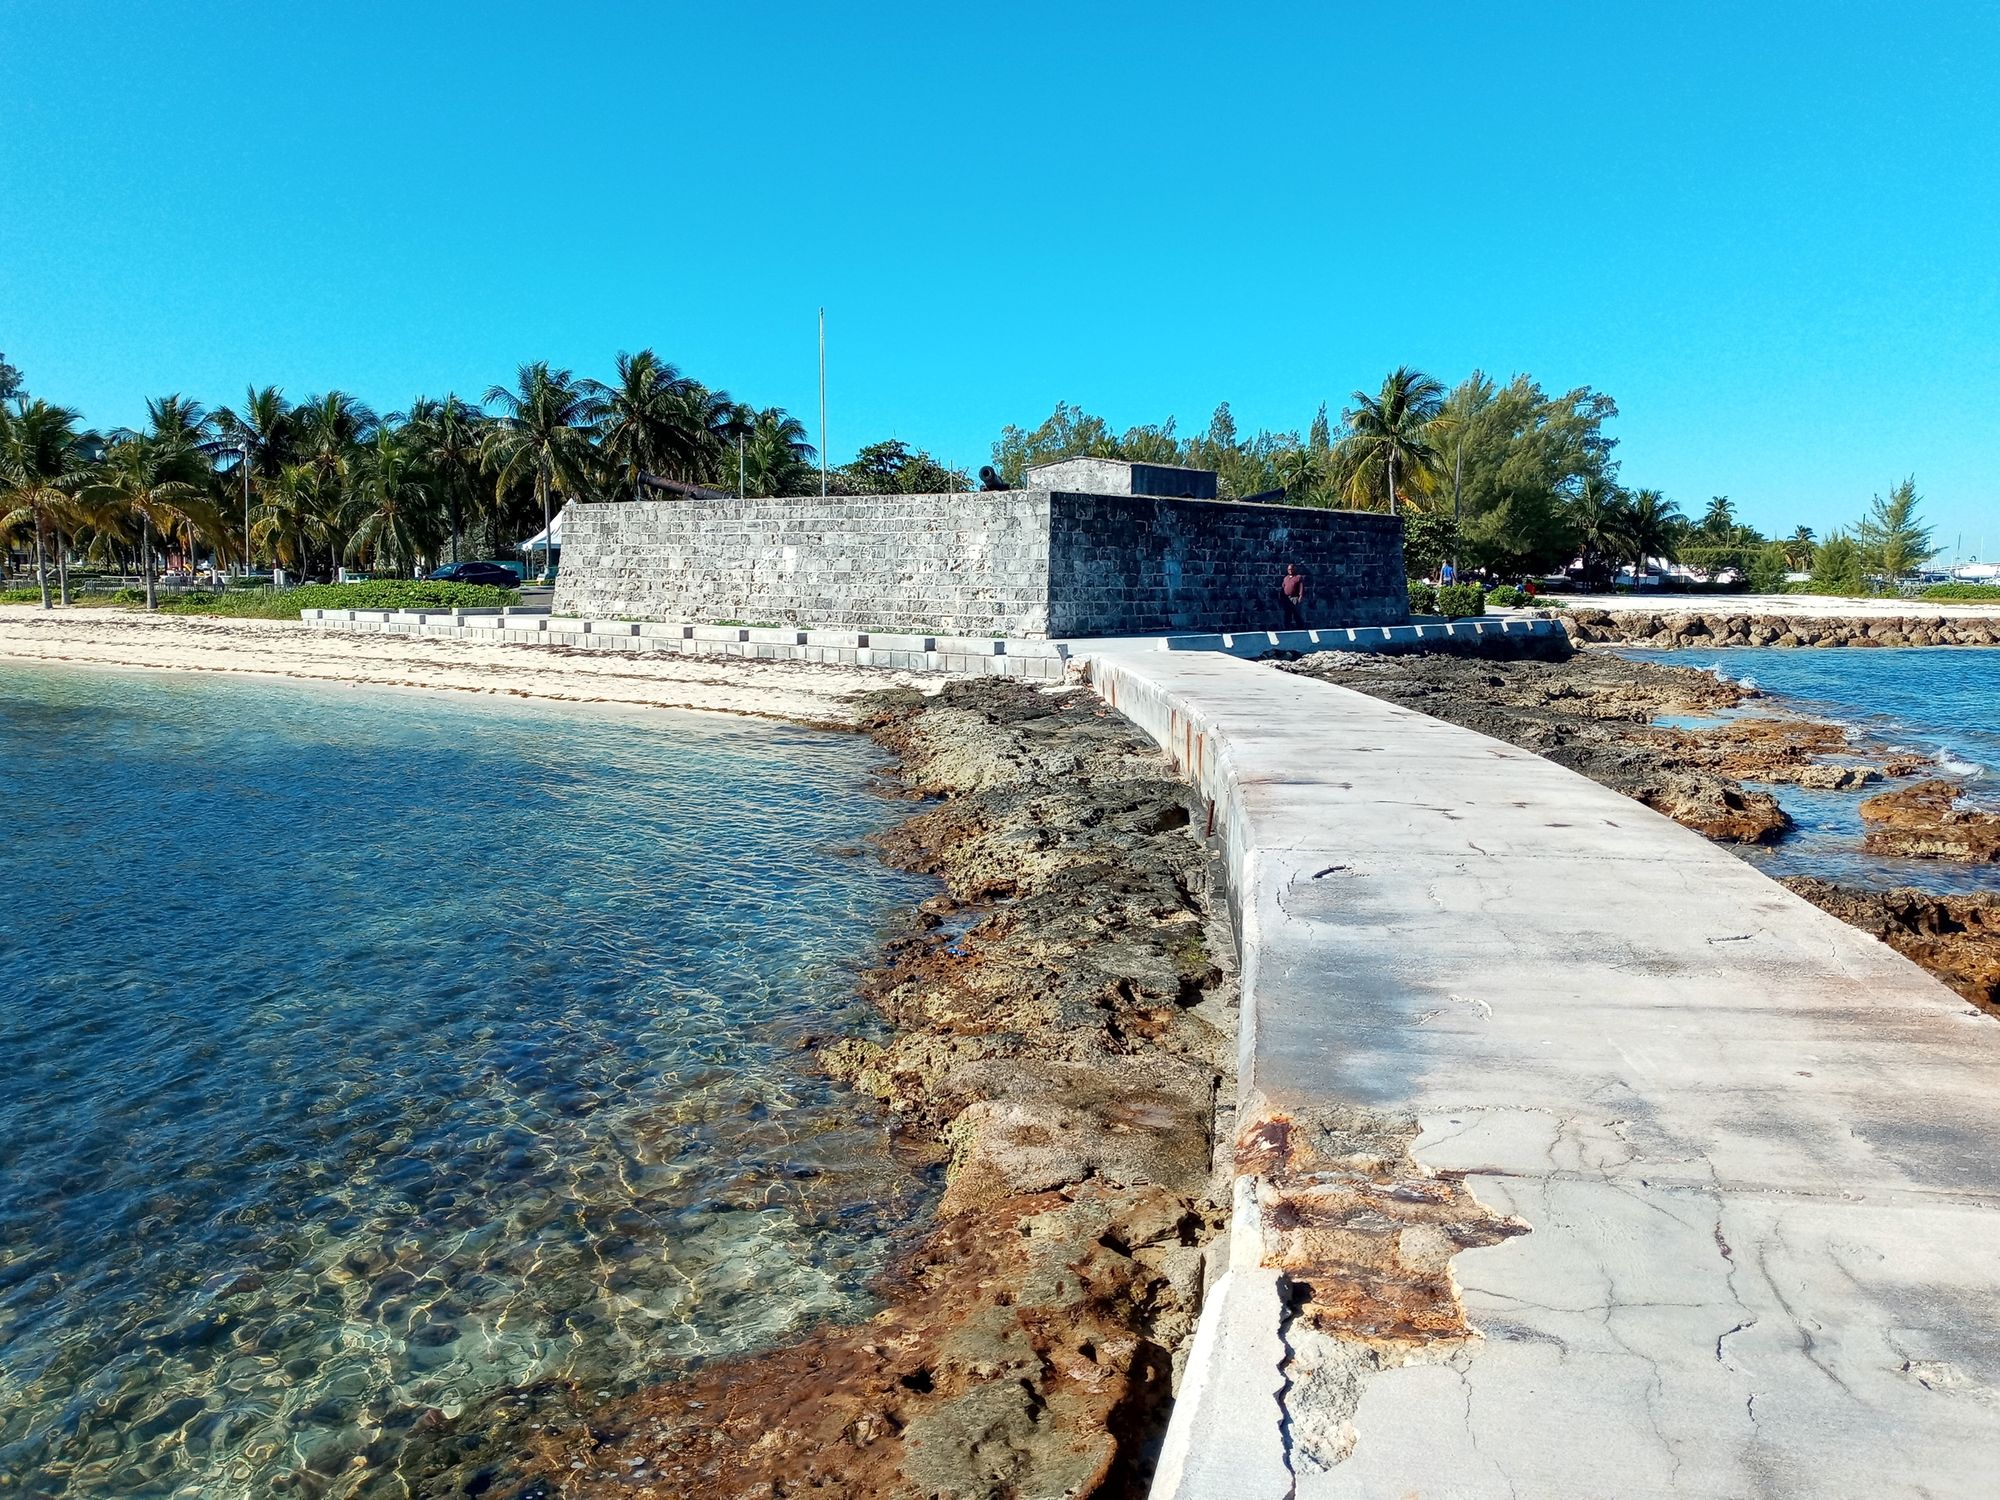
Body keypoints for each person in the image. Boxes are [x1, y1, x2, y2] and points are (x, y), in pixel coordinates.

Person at [1279, 563, 1306, 628]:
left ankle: (1300, 627)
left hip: (1295, 598)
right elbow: (1283, 587)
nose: (1290, 570)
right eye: (1289, 569)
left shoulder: (1298, 577)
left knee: (1296, 613)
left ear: (1294, 569)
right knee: (1287, 613)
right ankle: (1287, 627)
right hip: (1287, 599)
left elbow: (1301, 587)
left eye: (1291, 569)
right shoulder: (1286, 578)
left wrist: (1300, 596)